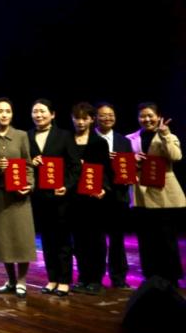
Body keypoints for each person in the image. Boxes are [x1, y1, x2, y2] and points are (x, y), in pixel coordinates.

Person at [127, 102, 184, 283]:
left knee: (167, 238)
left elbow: (176, 156)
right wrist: (133, 159)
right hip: (141, 194)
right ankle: (150, 276)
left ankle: (171, 277)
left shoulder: (169, 136)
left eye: (150, 115)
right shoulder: (130, 139)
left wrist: (165, 135)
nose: (147, 119)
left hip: (164, 194)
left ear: (158, 117)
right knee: (146, 239)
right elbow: (122, 166)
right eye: (142, 116)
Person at [29, 99, 79, 296]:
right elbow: (23, 163)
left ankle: (65, 280)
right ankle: (52, 279)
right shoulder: (28, 135)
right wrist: (31, 162)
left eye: (42, 111)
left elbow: (75, 166)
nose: (38, 115)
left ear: (52, 114)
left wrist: (66, 186)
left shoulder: (64, 135)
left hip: (60, 196)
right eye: (35, 111)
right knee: (47, 240)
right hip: (39, 196)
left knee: (62, 240)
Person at [0, 98, 35, 298]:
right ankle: (11, 280)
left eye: (7, 111)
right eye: (0, 111)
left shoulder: (21, 135)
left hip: (19, 196)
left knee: (22, 238)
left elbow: (28, 165)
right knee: (4, 240)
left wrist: (29, 185)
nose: (4, 114)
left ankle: (22, 281)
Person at [69, 102, 112, 296]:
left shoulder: (99, 142)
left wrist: (103, 188)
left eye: (84, 118)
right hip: (73, 197)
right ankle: (83, 277)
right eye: (77, 118)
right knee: (79, 240)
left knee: (96, 239)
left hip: (93, 197)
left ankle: (96, 279)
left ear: (92, 119)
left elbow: (105, 170)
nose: (80, 122)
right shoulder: (67, 140)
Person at [94, 102, 134, 289]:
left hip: (118, 196)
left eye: (111, 115)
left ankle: (119, 277)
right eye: (103, 115)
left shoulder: (123, 141)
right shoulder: (88, 138)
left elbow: (128, 167)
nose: (107, 118)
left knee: (117, 239)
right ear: (95, 117)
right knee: (96, 239)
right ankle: (95, 277)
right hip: (96, 195)